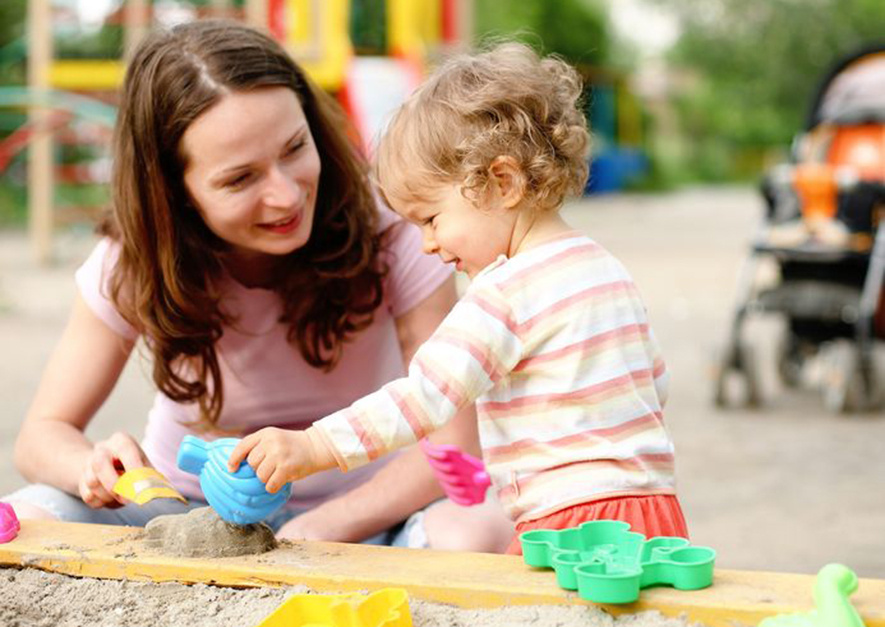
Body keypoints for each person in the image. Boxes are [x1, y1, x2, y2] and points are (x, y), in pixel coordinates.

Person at [5, 19, 514, 552]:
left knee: (478, 526)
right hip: (181, 513)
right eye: (239, 179)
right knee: (30, 513)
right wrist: (90, 466)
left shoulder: (397, 229)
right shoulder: (131, 263)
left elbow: (453, 448)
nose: (287, 196)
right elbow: (43, 433)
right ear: (174, 193)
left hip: (366, 509)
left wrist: (318, 529)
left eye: (295, 148)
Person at [227, 42, 689, 555]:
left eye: (431, 218)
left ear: (503, 182)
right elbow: (653, 382)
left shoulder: (504, 292)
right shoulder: (605, 268)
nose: (426, 243)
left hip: (568, 521)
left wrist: (313, 445)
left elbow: (422, 399)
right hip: (654, 510)